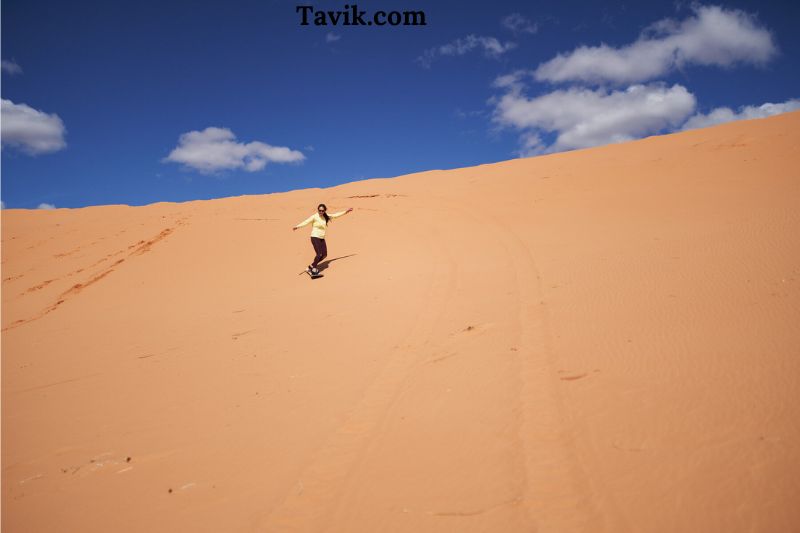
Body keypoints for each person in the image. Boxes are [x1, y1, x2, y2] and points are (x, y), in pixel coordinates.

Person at [293, 204, 353, 274]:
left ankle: (311, 266)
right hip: (315, 237)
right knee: (319, 254)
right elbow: (306, 222)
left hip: (322, 238)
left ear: (324, 211)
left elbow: (335, 215)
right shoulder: (314, 217)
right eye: (319, 210)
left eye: (322, 210)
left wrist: (346, 212)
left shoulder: (326, 216)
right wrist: (297, 226)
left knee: (324, 255)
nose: (321, 212)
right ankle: (313, 269)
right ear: (318, 210)